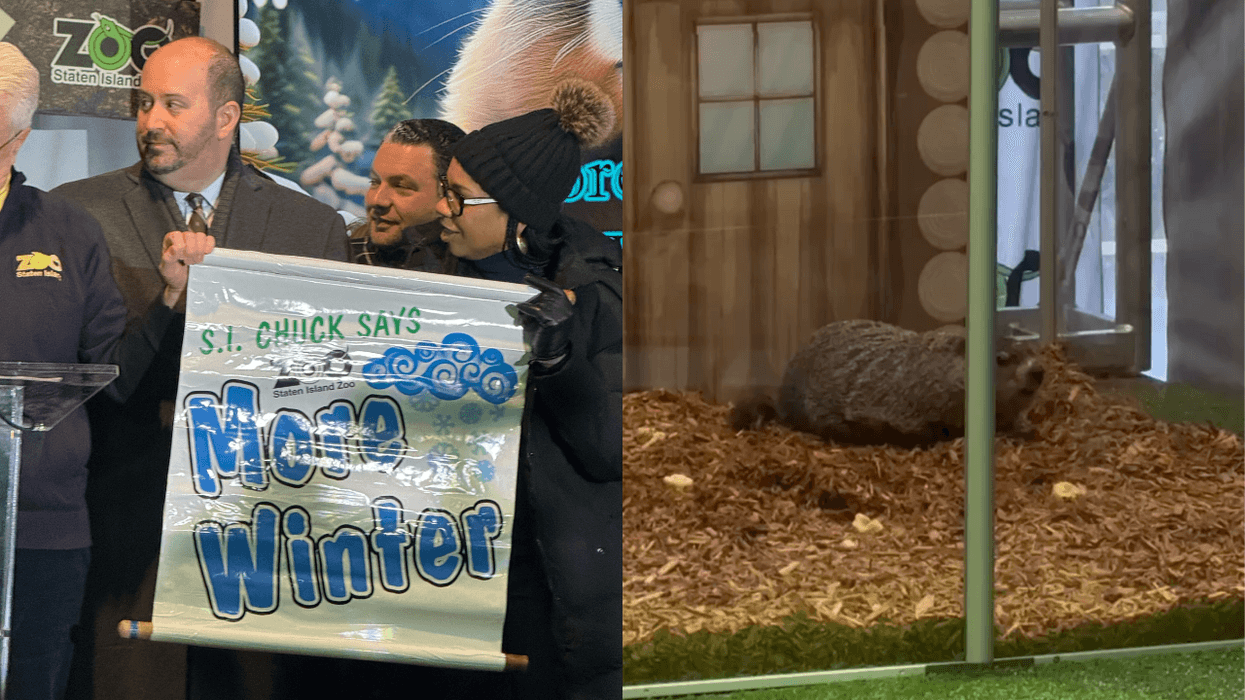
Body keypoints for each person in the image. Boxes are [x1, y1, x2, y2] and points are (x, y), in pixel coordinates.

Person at [51, 36, 349, 700]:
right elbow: (89, 375)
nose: (150, 121)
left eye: (173, 105)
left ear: (226, 117)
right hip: (125, 525)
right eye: (144, 103)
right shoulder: (75, 213)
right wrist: (169, 302)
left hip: (260, 539)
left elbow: (329, 384)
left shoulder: (311, 228)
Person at [0, 42, 214, 700]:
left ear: (19, 139)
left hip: (41, 531)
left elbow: (115, 377)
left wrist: (171, 296)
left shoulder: (67, 231)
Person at [436, 77, 623, 699]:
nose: (441, 207)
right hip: (443, 578)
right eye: (444, 188)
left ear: (516, 215)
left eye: (458, 196)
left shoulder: (599, 294)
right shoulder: (427, 272)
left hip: (549, 591)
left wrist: (560, 359)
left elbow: (611, 449)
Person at [349, 118, 465, 272]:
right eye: (375, 182)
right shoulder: (341, 259)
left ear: (451, 198)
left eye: (401, 186)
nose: (377, 200)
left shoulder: (478, 274)